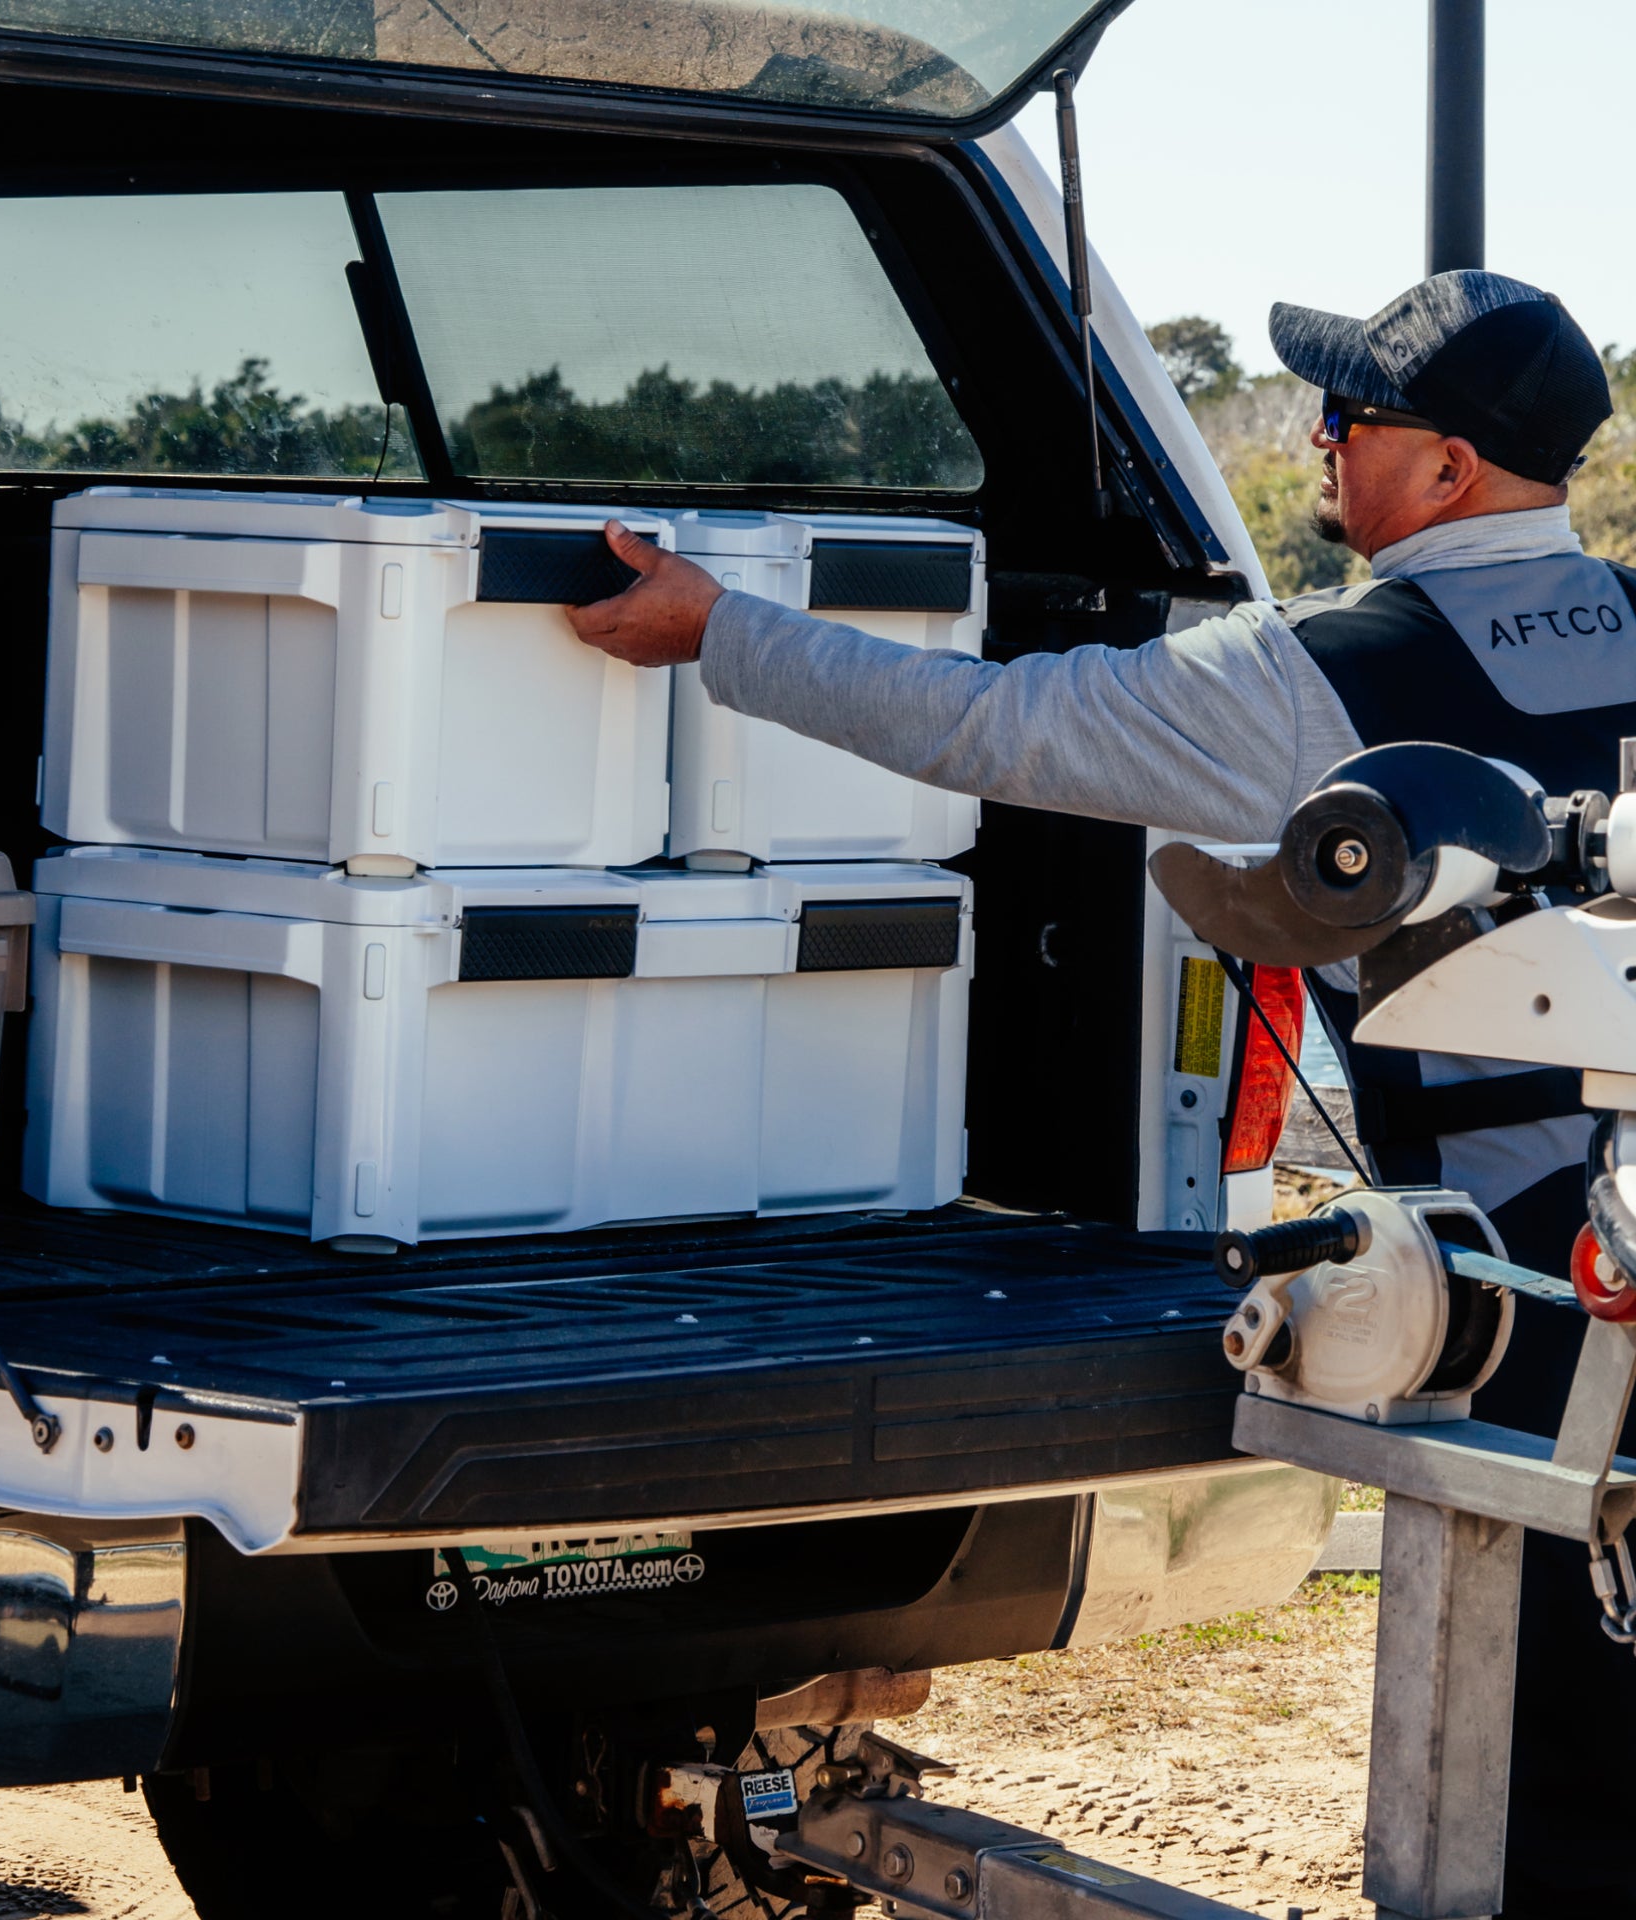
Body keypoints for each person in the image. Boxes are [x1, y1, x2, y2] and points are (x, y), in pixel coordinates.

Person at [568, 268, 1635, 1916]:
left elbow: (989, 725)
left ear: (1448, 467)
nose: (1324, 440)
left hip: (1521, 1301)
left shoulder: (1314, 677)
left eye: (1352, 417)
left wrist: (719, 631)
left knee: (1536, 1758)